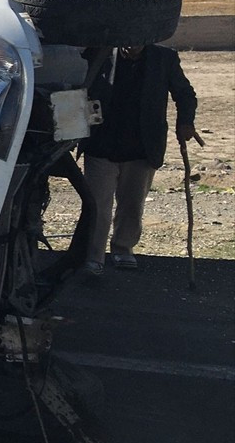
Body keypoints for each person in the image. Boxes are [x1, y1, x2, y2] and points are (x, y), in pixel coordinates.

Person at [81, 44, 198, 276]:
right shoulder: (97, 53)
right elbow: (76, 88)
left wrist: (186, 122)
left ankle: (123, 248)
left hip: (141, 146)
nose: (131, 45)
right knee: (97, 205)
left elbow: (185, 93)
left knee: (133, 203)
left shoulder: (164, 58)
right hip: (101, 143)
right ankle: (93, 256)